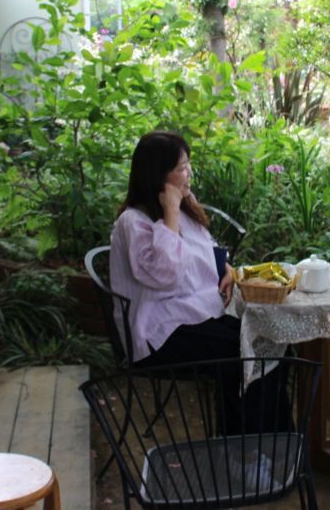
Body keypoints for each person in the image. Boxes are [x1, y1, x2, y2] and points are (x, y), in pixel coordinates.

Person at [109, 130, 287, 434]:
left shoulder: (182, 210)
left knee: (264, 341)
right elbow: (165, 274)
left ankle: (272, 444)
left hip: (191, 316)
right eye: (181, 168)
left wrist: (225, 267)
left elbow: (202, 248)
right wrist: (170, 212)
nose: (189, 173)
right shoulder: (134, 222)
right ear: (158, 175)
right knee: (245, 353)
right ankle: (246, 448)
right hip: (158, 333)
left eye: (188, 164)